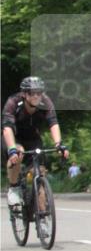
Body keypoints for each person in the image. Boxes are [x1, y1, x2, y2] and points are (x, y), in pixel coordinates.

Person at [3, 77, 69, 209]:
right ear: (24, 94)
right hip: (13, 136)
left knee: (40, 171)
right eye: (32, 93)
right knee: (18, 153)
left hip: (32, 138)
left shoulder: (46, 102)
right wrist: (12, 149)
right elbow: (7, 127)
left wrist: (58, 144)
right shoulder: (13, 102)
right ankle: (14, 188)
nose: (36, 96)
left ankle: (43, 216)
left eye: (39, 93)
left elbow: (53, 123)